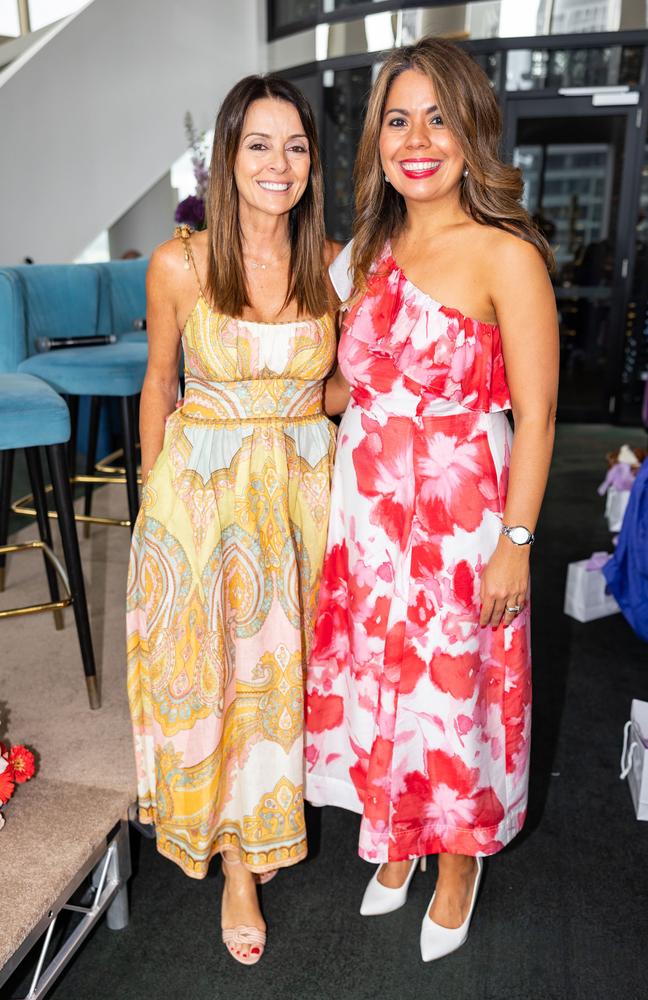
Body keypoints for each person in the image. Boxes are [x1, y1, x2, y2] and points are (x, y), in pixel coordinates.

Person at [306, 37, 559, 962]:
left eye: (438, 118)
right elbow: (347, 389)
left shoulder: (506, 254)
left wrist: (517, 542)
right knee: (384, 684)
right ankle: (401, 833)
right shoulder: (366, 251)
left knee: (457, 696)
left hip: (464, 514)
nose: (418, 139)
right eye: (398, 119)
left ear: (472, 130)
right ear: (376, 138)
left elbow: (536, 416)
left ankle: (459, 859)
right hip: (368, 512)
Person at [126, 75, 338, 965]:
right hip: (204, 500)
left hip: (303, 495)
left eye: (295, 146)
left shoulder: (336, 261)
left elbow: (333, 386)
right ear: (227, 153)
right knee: (215, 679)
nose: (278, 163)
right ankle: (239, 867)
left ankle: (269, 821)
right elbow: (158, 382)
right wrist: (151, 507)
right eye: (259, 144)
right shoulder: (179, 263)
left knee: (281, 682)